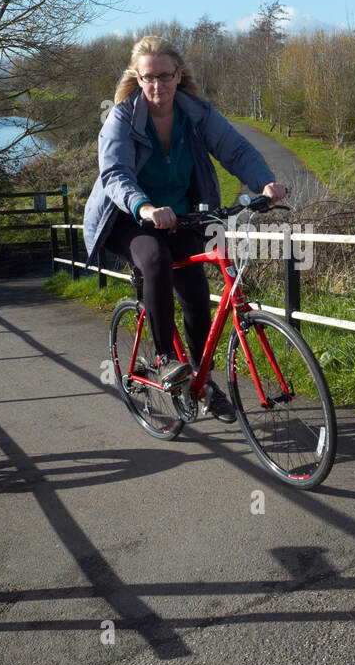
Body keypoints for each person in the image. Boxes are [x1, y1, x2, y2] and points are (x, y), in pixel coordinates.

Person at [82, 35, 287, 422]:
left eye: (164, 75)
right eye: (148, 78)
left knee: (195, 293)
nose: (157, 85)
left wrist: (264, 183)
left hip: (179, 217)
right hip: (127, 217)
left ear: (178, 75)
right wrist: (144, 207)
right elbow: (115, 173)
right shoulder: (122, 118)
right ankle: (163, 358)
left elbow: (235, 149)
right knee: (155, 258)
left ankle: (203, 382)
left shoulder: (197, 114)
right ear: (137, 79)